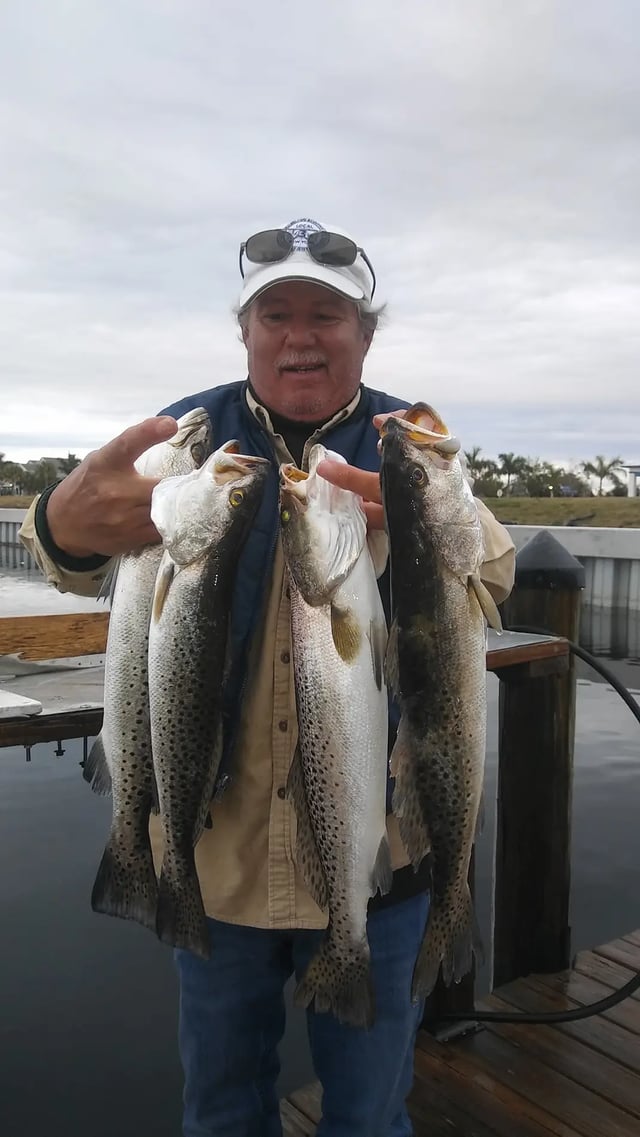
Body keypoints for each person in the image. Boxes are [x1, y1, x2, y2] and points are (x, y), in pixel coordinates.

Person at [20, 217, 515, 1137]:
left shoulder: (411, 442)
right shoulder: (187, 437)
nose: (299, 335)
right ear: (244, 332)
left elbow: (490, 575)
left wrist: (439, 519)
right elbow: (72, 556)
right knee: (219, 1107)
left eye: (326, 314)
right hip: (219, 864)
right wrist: (60, 519)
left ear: (366, 334)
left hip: (380, 864)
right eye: (275, 314)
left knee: (369, 1115)